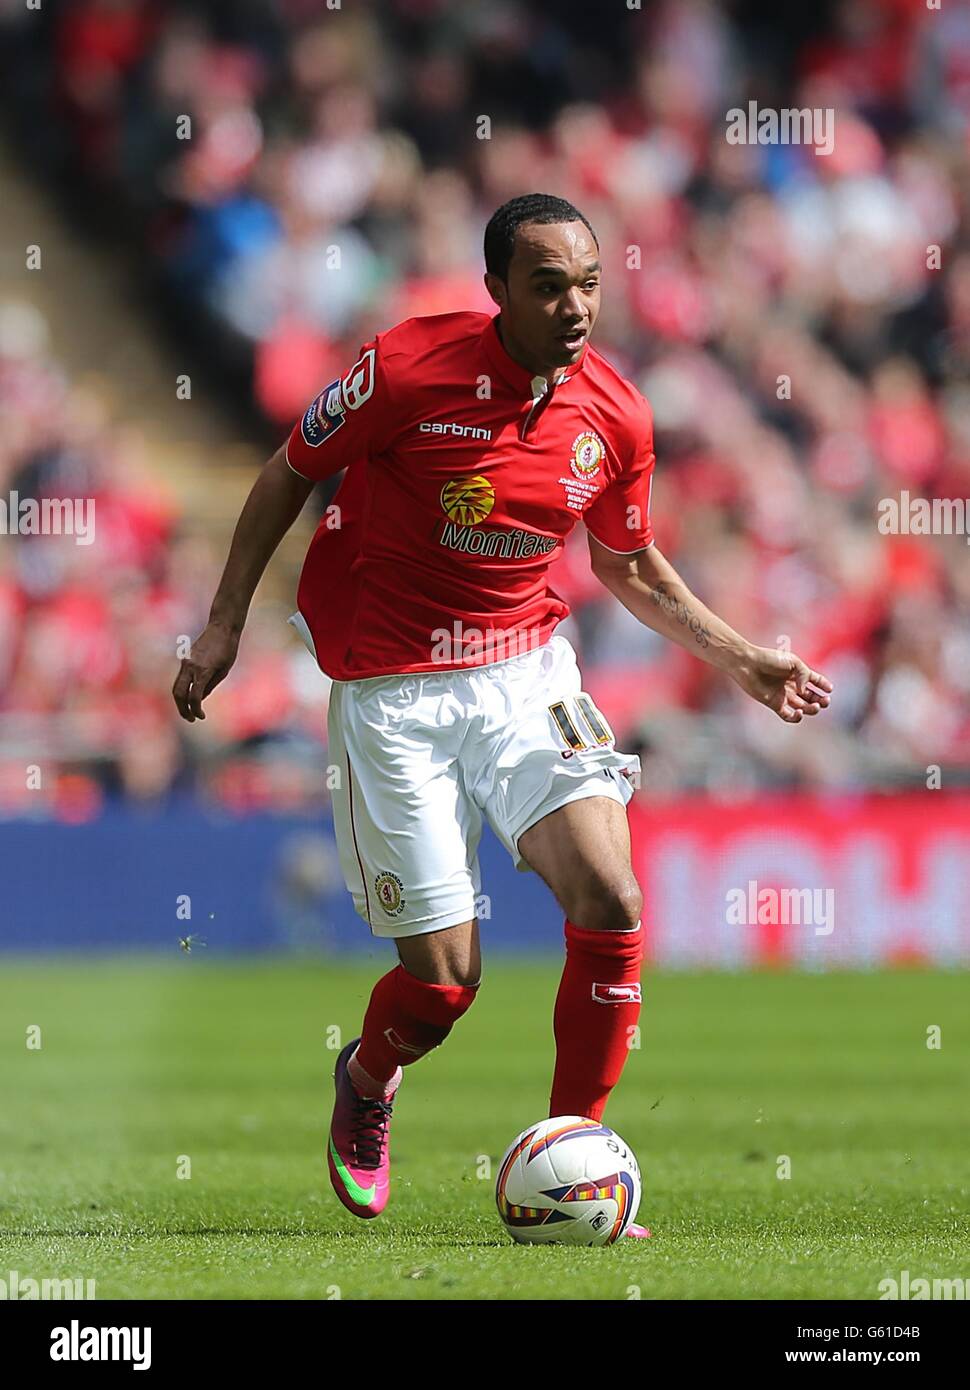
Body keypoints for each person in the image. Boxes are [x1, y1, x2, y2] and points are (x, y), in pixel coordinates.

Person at [172, 193, 833, 1236]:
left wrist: (742, 656)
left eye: (587, 282)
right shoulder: (404, 367)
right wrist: (221, 627)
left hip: (524, 671)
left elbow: (626, 561)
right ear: (496, 291)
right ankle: (368, 1074)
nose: (574, 306)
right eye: (547, 285)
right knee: (442, 989)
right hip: (394, 690)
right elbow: (286, 472)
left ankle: (577, 1152)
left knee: (611, 896)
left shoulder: (616, 412)